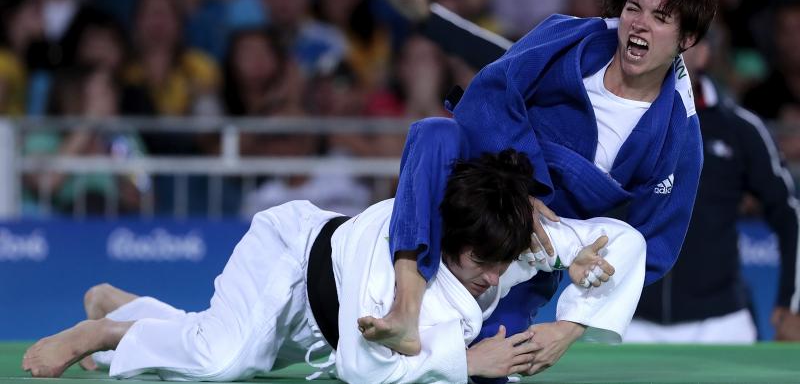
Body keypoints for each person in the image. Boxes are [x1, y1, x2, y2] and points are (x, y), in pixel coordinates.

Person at [362, 0, 717, 377]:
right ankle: (407, 300)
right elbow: (491, 90)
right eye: (633, 8)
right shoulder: (569, 40)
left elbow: (652, 246)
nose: (639, 24)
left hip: (538, 252)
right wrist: (521, 192)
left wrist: (569, 327)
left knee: (490, 365)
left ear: (687, 39)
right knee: (434, 133)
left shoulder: (678, 134)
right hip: (479, 198)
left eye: (660, 18)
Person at [23, 148, 644, 382]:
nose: (492, 277)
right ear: (447, 238)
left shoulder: (513, 235)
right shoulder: (398, 264)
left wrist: (578, 302)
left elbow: (624, 240)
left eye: (501, 263)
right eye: (480, 262)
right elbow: (361, 368)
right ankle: (99, 333)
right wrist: (466, 360)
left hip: (325, 319)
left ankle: (123, 307)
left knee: (222, 342)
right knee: (222, 360)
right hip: (292, 261)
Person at [626, 31, 800, 343]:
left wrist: (791, 303)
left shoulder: (740, 128)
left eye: (686, 39)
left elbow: (790, 214)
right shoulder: (616, 118)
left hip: (721, 324)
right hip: (627, 319)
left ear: (705, 53)